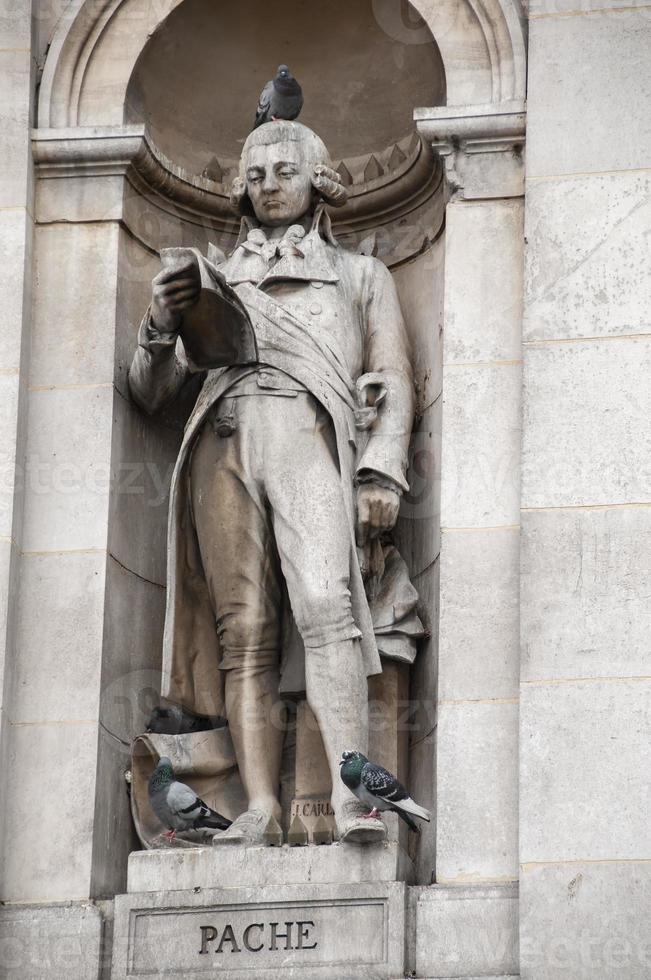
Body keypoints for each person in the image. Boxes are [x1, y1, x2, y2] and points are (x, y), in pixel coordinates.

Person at [129, 121, 414, 844]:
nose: (269, 185)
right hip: (219, 446)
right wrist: (160, 325)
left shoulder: (358, 276)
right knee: (243, 636)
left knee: (327, 607)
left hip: (306, 439)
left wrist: (381, 468)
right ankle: (258, 807)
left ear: (317, 179)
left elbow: (392, 379)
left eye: (285, 171)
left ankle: (354, 799)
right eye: (255, 175)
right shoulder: (213, 278)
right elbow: (151, 393)